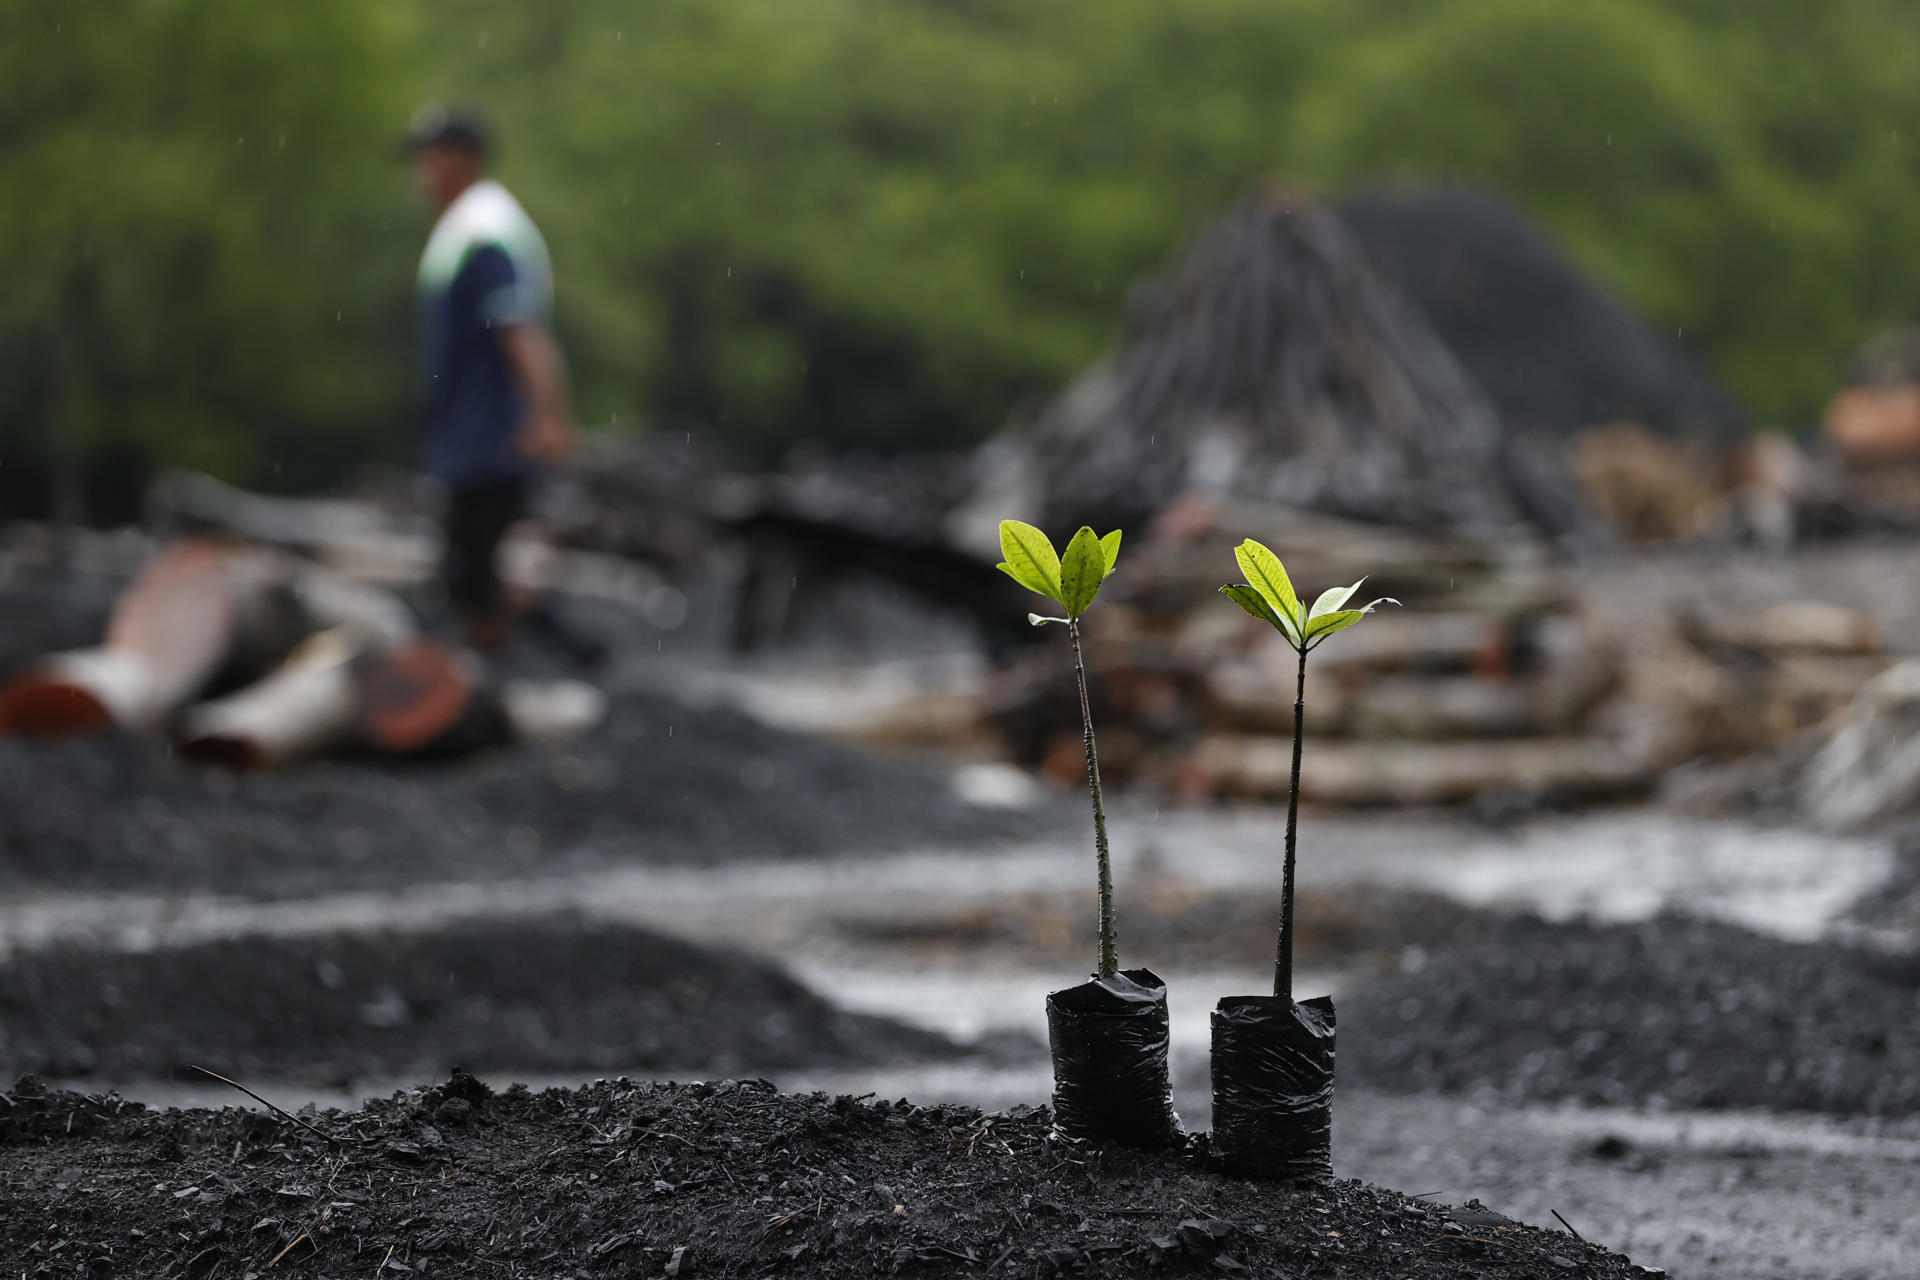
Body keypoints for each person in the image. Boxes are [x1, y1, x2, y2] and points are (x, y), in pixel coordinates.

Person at [406, 104, 574, 650]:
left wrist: (546, 415)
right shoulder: (469, 227)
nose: (420, 169)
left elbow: (519, 329)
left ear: (462, 158)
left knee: (473, 569)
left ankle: (503, 677)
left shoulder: (485, 231)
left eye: (429, 155)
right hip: (472, 432)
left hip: (489, 435)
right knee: (472, 566)